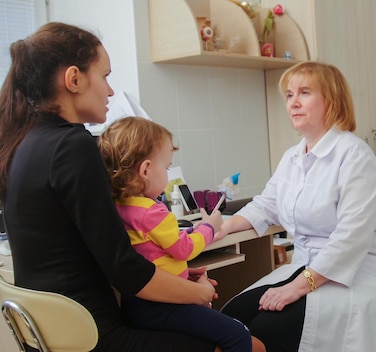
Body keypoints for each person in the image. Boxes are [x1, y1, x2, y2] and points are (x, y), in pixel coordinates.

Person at [0, 22, 223, 351]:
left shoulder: (22, 143)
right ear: (74, 79)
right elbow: (124, 269)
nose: (110, 91)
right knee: (237, 343)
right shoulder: (72, 145)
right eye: (104, 76)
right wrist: (198, 292)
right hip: (94, 333)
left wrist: (174, 277)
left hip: (52, 332)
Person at [218, 61, 376, 351]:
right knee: (230, 320)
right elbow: (267, 205)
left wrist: (295, 288)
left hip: (360, 272)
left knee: (267, 329)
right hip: (306, 267)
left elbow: (350, 240)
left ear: (331, 100)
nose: (293, 102)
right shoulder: (292, 157)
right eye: (289, 94)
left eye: (304, 92)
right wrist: (221, 227)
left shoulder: (354, 156)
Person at [98, 116, 265, 352]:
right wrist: (209, 228)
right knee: (238, 335)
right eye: (166, 168)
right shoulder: (152, 211)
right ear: (146, 169)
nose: (167, 174)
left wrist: (191, 232)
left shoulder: (120, 205)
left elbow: (157, 245)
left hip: (137, 306)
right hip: (164, 305)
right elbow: (183, 248)